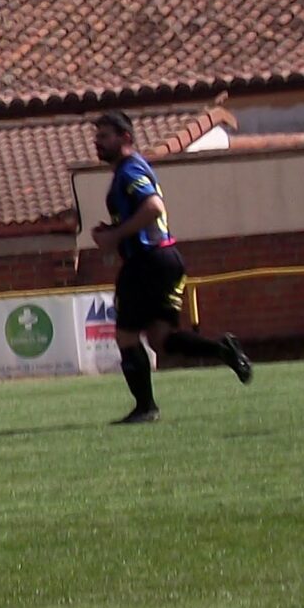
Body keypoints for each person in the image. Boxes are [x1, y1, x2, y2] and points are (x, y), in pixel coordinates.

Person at [87, 109, 251, 423]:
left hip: (147, 262)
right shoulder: (130, 170)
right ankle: (223, 349)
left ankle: (146, 408)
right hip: (165, 259)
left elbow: (153, 206)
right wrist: (113, 230)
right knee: (161, 340)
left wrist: (116, 235)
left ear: (125, 138)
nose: (98, 142)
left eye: (104, 136)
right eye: (97, 137)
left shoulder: (129, 170)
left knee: (126, 336)